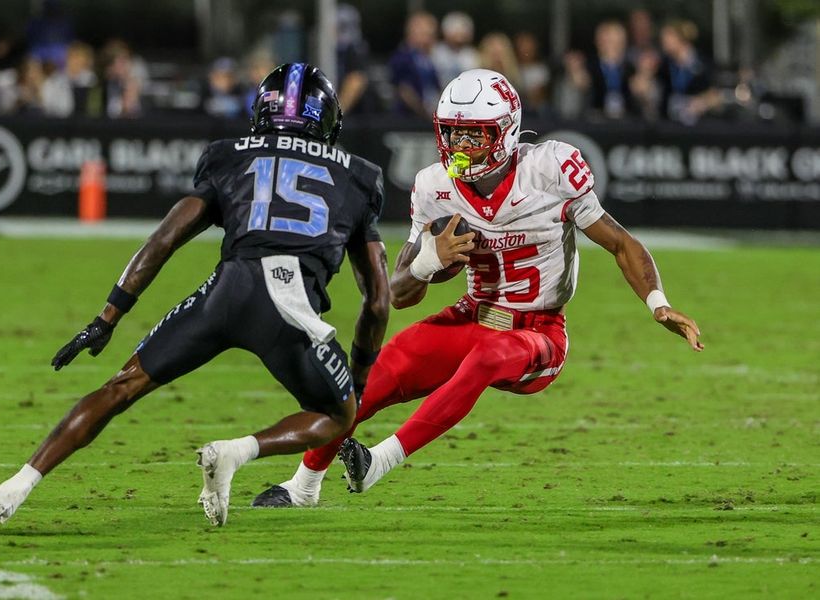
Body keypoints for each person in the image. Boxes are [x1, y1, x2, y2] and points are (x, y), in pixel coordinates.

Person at [0, 63, 390, 527]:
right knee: (337, 414)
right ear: (327, 118)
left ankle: (13, 488)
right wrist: (358, 380)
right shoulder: (358, 176)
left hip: (227, 289)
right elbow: (378, 300)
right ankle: (235, 452)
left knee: (121, 387)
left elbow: (163, 239)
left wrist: (108, 318)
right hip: (287, 297)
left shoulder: (230, 155)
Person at [253, 68, 702, 507]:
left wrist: (658, 305)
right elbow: (396, 293)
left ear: (506, 133)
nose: (461, 146)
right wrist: (431, 261)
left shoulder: (550, 170)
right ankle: (303, 486)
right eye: (452, 133)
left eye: (475, 134)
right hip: (472, 316)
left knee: (487, 357)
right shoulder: (434, 186)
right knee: (371, 376)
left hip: (538, 332)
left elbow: (620, 243)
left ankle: (379, 461)